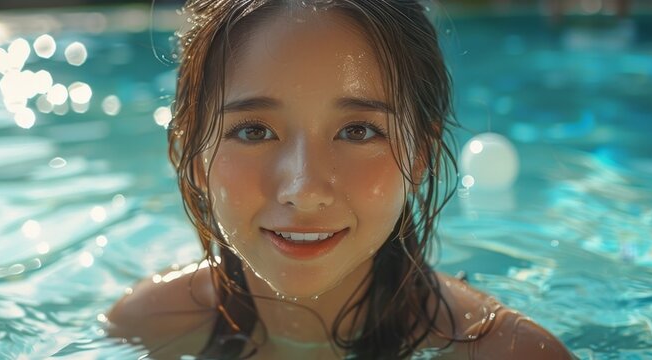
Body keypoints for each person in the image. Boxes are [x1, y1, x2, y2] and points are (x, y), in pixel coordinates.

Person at [108, 1, 572, 358]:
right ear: (189, 157)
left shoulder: (510, 351)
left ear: (419, 155)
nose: (304, 190)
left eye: (357, 131)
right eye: (253, 131)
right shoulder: (146, 327)